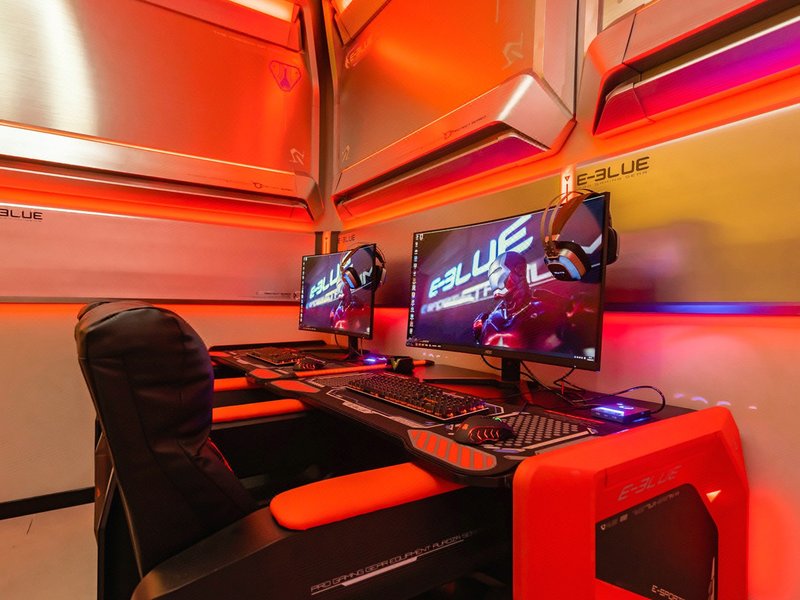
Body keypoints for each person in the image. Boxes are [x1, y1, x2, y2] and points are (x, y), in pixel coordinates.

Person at [472, 251, 596, 354]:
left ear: (519, 270)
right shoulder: (487, 320)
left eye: (497, 272)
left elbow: (584, 352)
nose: (494, 281)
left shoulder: (553, 307)